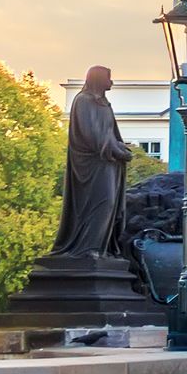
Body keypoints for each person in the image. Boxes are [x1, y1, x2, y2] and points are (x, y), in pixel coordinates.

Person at [46, 66, 133, 264]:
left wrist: (120, 146)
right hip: (91, 166)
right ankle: (88, 248)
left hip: (108, 164)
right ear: (98, 78)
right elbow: (90, 134)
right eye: (109, 78)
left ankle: (101, 248)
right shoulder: (83, 101)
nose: (111, 82)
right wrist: (117, 150)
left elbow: (109, 134)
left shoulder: (104, 104)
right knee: (101, 202)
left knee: (110, 204)